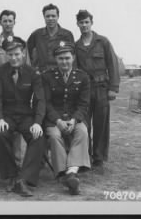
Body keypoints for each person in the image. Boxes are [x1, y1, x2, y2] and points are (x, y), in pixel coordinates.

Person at [0, 36, 46, 197]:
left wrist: (37, 122)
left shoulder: (33, 73)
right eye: (10, 54)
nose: (14, 58)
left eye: (17, 54)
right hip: (7, 116)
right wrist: (0, 118)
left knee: (38, 137)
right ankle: (11, 176)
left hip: (25, 116)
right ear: (6, 55)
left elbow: (40, 99)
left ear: (23, 53)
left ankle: (24, 179)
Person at [42, 41, 91, 195]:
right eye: (61, 58)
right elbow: (46, 103)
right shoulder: (47, 76)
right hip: (53, 119)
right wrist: (58, 121)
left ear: (73, 58)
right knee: (55, 136)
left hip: (73, 118)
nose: (64, 61)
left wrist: (74, 120)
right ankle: (64, 172)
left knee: (82, 132)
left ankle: (71, 172)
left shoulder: (83, 77)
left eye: (67, 58)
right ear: (56, 59)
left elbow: (84, 104)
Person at [74, 10, 120, 170]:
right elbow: (75, 69)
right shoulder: (76, 46)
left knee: (101, 124)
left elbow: (112, 64)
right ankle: (85, 156)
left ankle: (99, 157)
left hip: (101, 88)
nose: (84, 25)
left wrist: (113, 88)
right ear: (77, 24)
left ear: (91, 22)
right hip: (85, 90)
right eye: (81, 22)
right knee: (84, 124)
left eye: (87, 22)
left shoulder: (103, 42)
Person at [0, 10, 30, 166]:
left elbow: (27, 67)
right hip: (0, 88)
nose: (7, 24)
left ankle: (17, 161)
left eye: (10, 21)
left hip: (18, 89)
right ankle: (3, 162)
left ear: (14, 22)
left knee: (18, 129)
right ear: (0, 22)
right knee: (2, 127)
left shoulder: (21, 43)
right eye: (4, 21)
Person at [27, 3, 74, 72]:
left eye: (53, 16)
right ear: (44, 17)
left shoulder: (67, 35)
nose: (50, 18)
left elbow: (73, 56)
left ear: (58, 16)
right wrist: (33, 70)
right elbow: (28, 53)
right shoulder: (36, 34)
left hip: (61, 74)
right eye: (48, 16)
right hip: (42, 74)